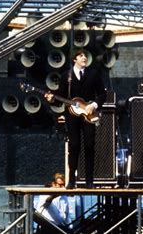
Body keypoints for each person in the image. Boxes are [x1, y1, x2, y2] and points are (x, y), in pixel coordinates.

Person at [45, 48, 106, 189]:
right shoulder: (66, 76)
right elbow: (60, 98)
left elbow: (102, 94)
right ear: (75, 59)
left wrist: (94, 105)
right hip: (72, 116)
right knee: (74, 146)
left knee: (90, 146)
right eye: (81, 56)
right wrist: (51, 99)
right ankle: (71, 180)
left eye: (85, 55)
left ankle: (89, 181)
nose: (84, 58)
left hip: (88, 115)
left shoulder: (93, 75)